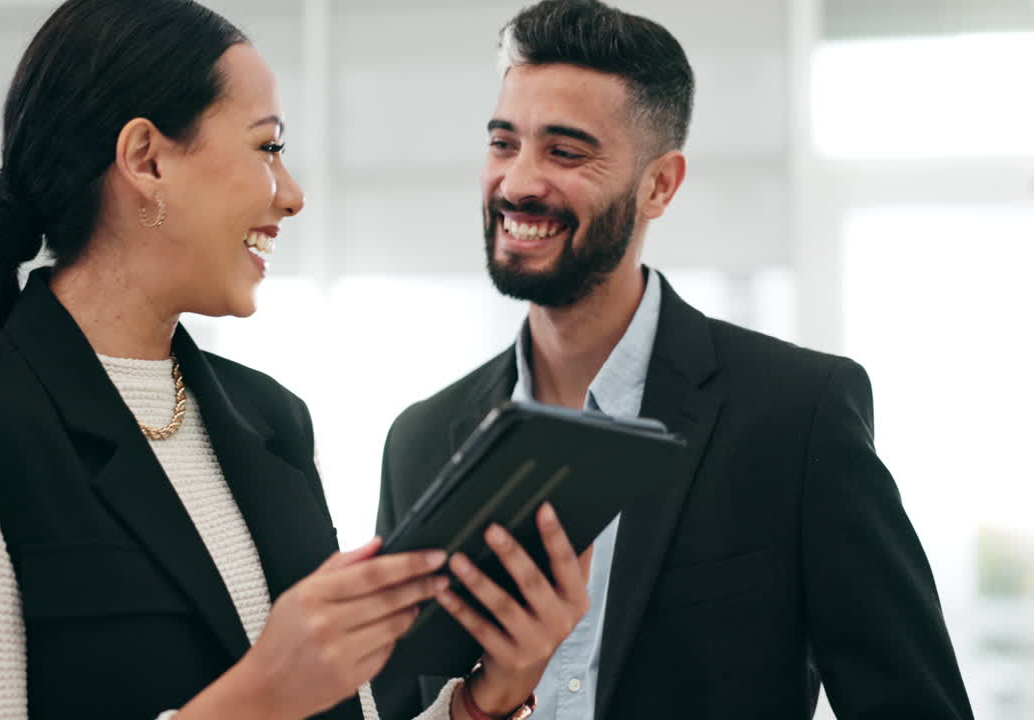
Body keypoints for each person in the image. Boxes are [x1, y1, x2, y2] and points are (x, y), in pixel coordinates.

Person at [0, 1, 592, 719]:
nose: (294, 194)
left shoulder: (272, 420)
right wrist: (263, 693)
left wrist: (486, 698)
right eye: (268, 148)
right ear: (146, 160)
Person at [374, 1, 974, 719]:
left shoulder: (796, 415)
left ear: (659, 185)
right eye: (505, 144)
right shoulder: (421, 440)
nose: (519, 181)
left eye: (565, 152)